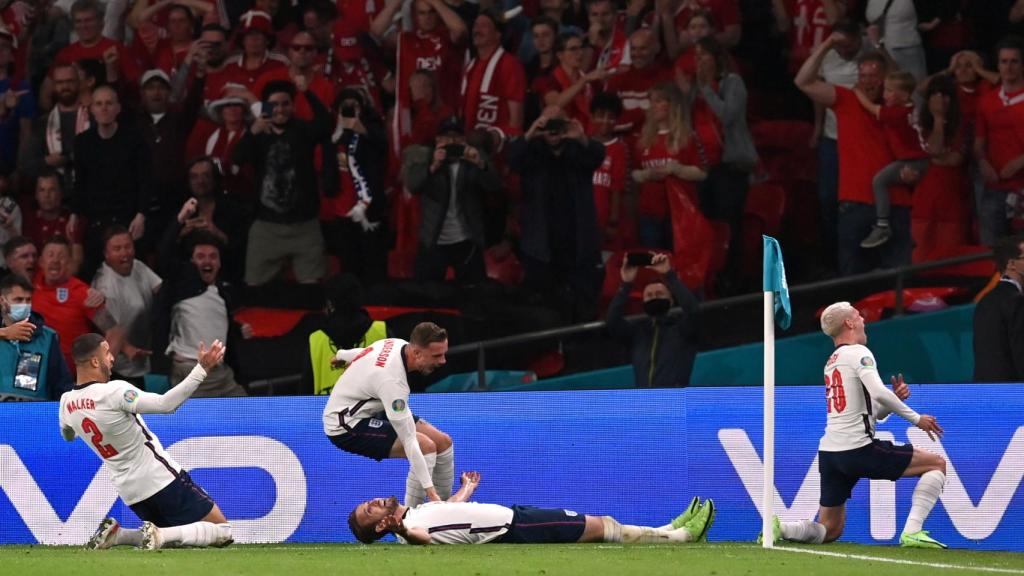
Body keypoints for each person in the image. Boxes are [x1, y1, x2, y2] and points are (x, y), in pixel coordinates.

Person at [762, 301, 947, 548]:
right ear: (849, 323)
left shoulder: (832, 362)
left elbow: (873, 411)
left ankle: (779, 527)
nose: (863, 320)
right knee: (937, 463)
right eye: (859, 316)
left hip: (831, 454)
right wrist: (917, 419)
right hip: (858, 448)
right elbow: (879, 393)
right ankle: (913, 531)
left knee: (830, 529)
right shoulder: (858, 353)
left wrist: (894, 400)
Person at [60, 333, 234, 550]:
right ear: (95, 361)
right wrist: (202, 368)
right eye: (107, 353)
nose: (112, 358)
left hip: (130, 493)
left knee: (180, 541)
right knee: (222, 531)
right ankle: (156, 535)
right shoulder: (115, 391)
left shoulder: (66, 403)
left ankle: (120, 536)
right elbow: (165, 404)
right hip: (159, 478)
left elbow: (67, 435)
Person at [796, 34, 914, 276]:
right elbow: (803, 81)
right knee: (853, 283)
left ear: (884, 80)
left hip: (896, 204)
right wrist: (827, 45)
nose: (868, 81)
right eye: (863, 76)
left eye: (874, 76)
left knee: (899, 282)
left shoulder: (898, 107)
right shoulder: (846, 99)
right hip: (854, 205)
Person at [349, 471, 715, 545]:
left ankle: (668, 528)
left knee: (601, 523)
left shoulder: (414, 511)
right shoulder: (409, 533)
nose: (376, 501)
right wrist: (401, 530)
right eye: (372, 510)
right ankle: (679, 536)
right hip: (516, 528)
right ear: (381, 527)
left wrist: (466, 489)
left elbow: (445, 511)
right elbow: (424, 539)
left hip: (516, 516)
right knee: (602, 525)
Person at [322, 322, 454, 509]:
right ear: (416, 353)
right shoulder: (392, 382)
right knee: (426, 447)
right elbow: (410, 442)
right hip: (345, 425)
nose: (443, 361)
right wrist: (430, 492)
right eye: (436, 355)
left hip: (373, 406)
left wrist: (341, 355)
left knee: (443, 442)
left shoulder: (395, 343)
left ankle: (446, 513)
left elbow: (363, 352)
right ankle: (410, 526)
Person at [508, 108, 606, 322]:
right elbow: (512, 158)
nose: (553, 130)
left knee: (581, 309)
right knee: (545, 311)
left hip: (577, 246)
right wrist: (531, 133)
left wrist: (581, 137)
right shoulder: (531, 152)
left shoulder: (578, 151)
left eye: (557, 125)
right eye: (548, 125)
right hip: (541, 248)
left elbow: (598, 154)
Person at [232, 79, 330, 287]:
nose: (280, 109)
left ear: (293, 105)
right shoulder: (258, 134)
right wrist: (252, 133)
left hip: (304, 225)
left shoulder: (303, 130)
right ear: (266, 107)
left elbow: (326, 124)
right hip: (266, 227)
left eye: (285, 103)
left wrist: (307, 90)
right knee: (255, 289)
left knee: (312, 292)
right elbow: (236, 159)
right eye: (274, 104)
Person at [403, 115, 500, 284]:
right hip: (434, 240)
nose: (451, 141)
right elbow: (413, 185)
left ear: (464, 139)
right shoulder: (426, 157)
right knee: (426, 295)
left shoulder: (474, 157)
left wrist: (480, 164)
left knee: (474, 296)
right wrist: (433, 166)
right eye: (446, 137)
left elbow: (494, 185)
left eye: (456, 137)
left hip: (467, 241)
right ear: (438, 139)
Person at [154, 230, 250, 397]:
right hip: (191, 372)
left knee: (247, 415)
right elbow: (164, 256)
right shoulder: (179, 289)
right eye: (201, 256)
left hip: (221, 374)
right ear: (191, 262)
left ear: (219, 263)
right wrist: (180, 219)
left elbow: (214, 323)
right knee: (200, 421)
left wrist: (238, 329)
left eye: (213, 256)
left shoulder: (223, 295)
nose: (207, 261)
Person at [71, 85, 153, 275]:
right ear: (91, 109)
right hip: (97, 221)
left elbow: (145, 180)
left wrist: (142, 214)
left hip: (128, 219)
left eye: (109, 103)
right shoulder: (83, 142)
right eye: (99, 104)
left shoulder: (134, 139)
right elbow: (80, 182)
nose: (104, 108)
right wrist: (74, 213)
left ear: (118, 108)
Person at [33, 235, 137, 373]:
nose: (56, 260)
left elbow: (115, 333)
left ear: (70, 262)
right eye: (50, 255)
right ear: (41, 261)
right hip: (35, 371)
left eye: (62, 256)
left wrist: (98, 373)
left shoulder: (82, 293)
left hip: (70, 377)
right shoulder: (29, 284)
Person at [854, 70, 930, 248]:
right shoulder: (912, 109)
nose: (884, 94)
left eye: (889, 91)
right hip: (922, 160)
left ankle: (882, 225)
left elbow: (872, 108)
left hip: (914, 161)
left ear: (903, 95)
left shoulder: (898, 113)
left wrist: (857, 91)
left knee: (879, 181)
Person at [607, 252, 698, 387]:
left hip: (674, 401)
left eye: (659, 293)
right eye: (649, 295)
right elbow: (612, 320)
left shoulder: (683, 330)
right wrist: (626, 284)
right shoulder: (637, 334)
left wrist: (669, 274)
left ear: (671, 301)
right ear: (643, 303)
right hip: (646, 404)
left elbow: (693, 310)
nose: (654, 297)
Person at [91, 226, 162, 388]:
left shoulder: (138, 266)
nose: (125, 253)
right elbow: (107, 328)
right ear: (106, 254)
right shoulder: (104, 286)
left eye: (128, 247)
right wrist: (128, 348)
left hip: (143, 356)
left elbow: (160, 290)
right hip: (119, 366)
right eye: (117, 249)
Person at [301, 273, 389, 395]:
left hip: (327, 410)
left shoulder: (316, 339)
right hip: (375, 411)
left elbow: (305, 392)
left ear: (330, 303)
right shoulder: (382, 331)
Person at [975, 36, 1024, 247]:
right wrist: (982, 162)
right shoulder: (986, 100)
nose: (1009, 67)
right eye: (1004, 61)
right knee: (990, 252)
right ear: (997, 65)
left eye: (1014, 61)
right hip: (994, 187)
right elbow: (978, 142)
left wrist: (1020, 161)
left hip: (1022, 185)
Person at [0, 273, 73, 401]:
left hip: (35, 417)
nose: (24, 305)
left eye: (28, 300)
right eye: (18, 300)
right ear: (2, 301)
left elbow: (62, 385)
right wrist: (5, 333)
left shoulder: (48, 338)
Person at [973, 235, 1024, 382]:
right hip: (1012, 394)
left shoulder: (985, 300)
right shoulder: (1016, 301)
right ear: (1012, 264)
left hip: (985, 391)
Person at [22, 170, 85, 273]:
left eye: (52, 190)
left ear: (61, 193)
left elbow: (76, 264)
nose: (46, 195)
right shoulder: (28, 219)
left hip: (64, 280)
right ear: (36, 195)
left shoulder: (72, 220)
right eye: (42, 190)